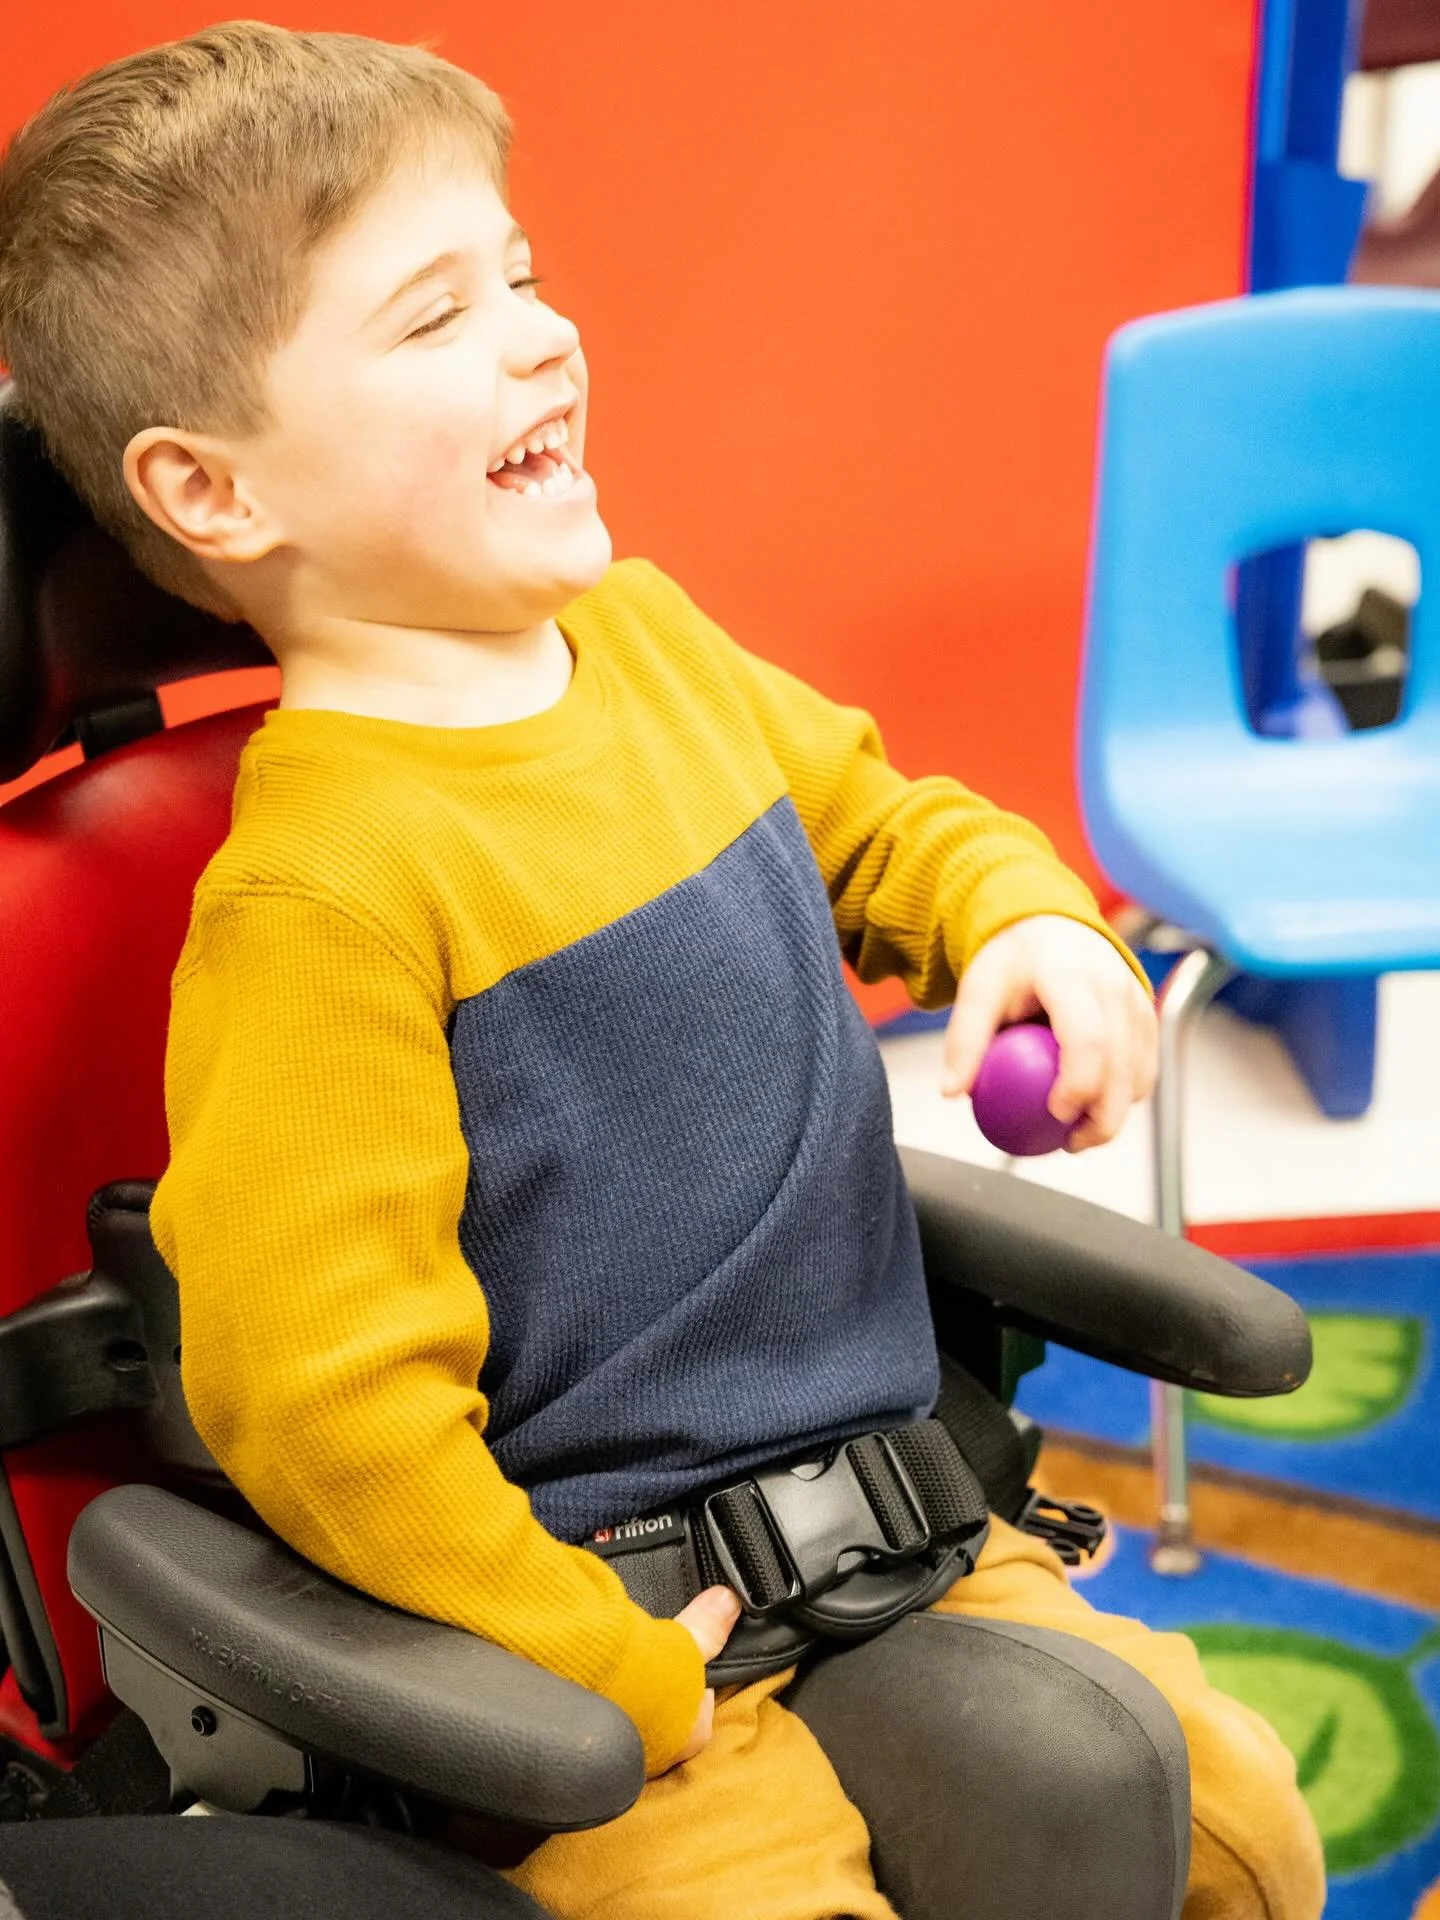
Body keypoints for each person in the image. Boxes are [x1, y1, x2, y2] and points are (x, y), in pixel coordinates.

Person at [0, 25, 1324, 1917]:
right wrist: (602, 1665)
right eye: (434, 317)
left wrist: (1015, 915)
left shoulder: (640, 640)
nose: (541, 336)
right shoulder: (323, 899)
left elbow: (877, 824)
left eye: (522, 279)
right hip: (604, 1616)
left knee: (1230, 1829)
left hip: (900, 1511)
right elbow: (322, 1409)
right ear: (212, 496)